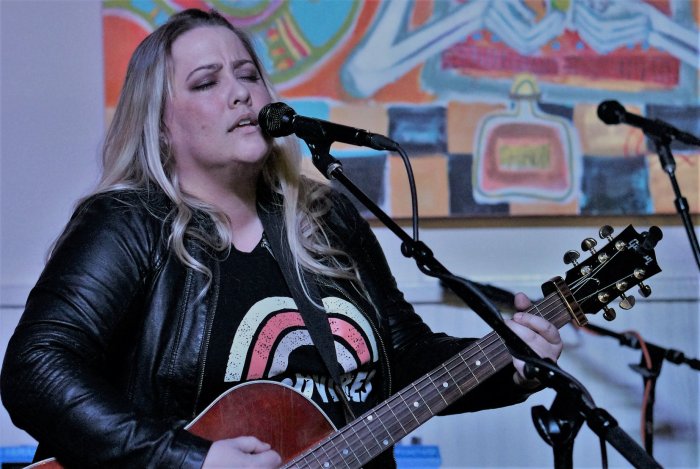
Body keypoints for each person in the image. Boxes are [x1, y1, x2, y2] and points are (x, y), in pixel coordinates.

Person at [1, 8, 562, 469]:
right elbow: (35, 368)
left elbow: (403, 361)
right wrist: (190, 459)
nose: (241, 94)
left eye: (248, 75)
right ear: (161, 124)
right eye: (207, 82)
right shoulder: (128, 223)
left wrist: (507, 365)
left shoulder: (325, 215)